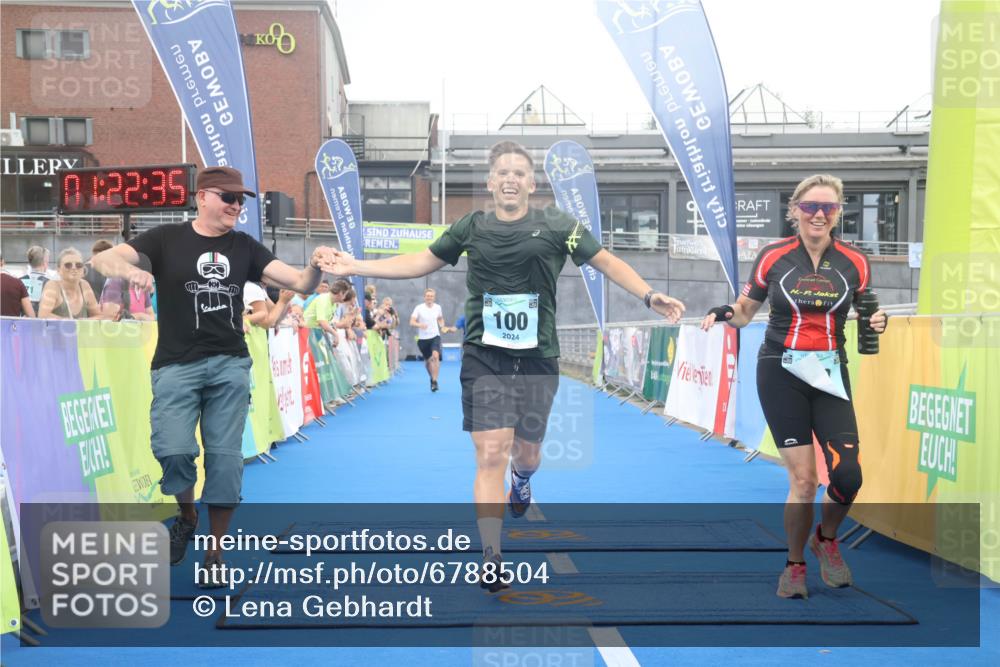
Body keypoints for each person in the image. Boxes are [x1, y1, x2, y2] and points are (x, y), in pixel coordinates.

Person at [327, 140, 684, 591]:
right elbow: (420, 261)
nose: (510, 179)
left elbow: (606, 261)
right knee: (491, 452)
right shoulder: (471, 226)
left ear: (531, 184)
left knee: (527, 452)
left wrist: (649, 295)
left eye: (519, 173)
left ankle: (523, 479)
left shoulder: (557, 224)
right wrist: (356, 265)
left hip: (537, 356)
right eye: (503, 172)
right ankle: (491, 556)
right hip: (485, 355)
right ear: (491, 182)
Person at [91, 166, 336, 587]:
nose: (236, 206)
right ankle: (187, 516)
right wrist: (131, 271)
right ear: (202, 196)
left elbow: (300, 282)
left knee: (224, 461)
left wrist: (315, 265)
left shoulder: (244, 247)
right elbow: (101, 259)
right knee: (173, 451)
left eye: (241, 200)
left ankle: (215, 554)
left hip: (229, 364)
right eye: (228, 197)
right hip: (175, 364)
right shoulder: (165, 238)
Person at [700, 174, 887, 600]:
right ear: (795, 211)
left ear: (837, 213)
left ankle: (826, 538)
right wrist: (725, 311)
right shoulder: (773, 256)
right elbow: (745, 311)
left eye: (828, 208)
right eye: (810, 207)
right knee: (803, 481)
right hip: (780, 371)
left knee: (848, 475)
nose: (819, 215)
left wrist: (878, 320)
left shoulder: (855, 262)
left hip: (829, 373)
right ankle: (795, 564)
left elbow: (867, 312)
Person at [37, 248, 101, 320]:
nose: (74, 268)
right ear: (58, 270)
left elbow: (99, 316)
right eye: (68, 265)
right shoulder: (53, 286)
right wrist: (73, 323)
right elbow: (43, 316)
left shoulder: (84, 285)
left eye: (78, 265)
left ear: (83, 269)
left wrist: (84, 321)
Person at [410, 288, 452, 392]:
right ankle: (432, 378)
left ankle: (434, 381)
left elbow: (440, 318)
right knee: (428, 362)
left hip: (435, 336)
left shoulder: (438, 307)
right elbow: (412, 322)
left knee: (435, 356)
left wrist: (442, 326)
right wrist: (420, 325)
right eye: (428, 296)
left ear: (434, 297)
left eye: (431, 296)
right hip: (423, 339)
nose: (429, 298)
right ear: (424, 297)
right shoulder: (419, 308)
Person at [20, 245, 50, 314]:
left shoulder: (19, 281)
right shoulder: (50, 283)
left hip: (22, 319)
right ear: (44, 262)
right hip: (41, 319)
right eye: (47, 262)